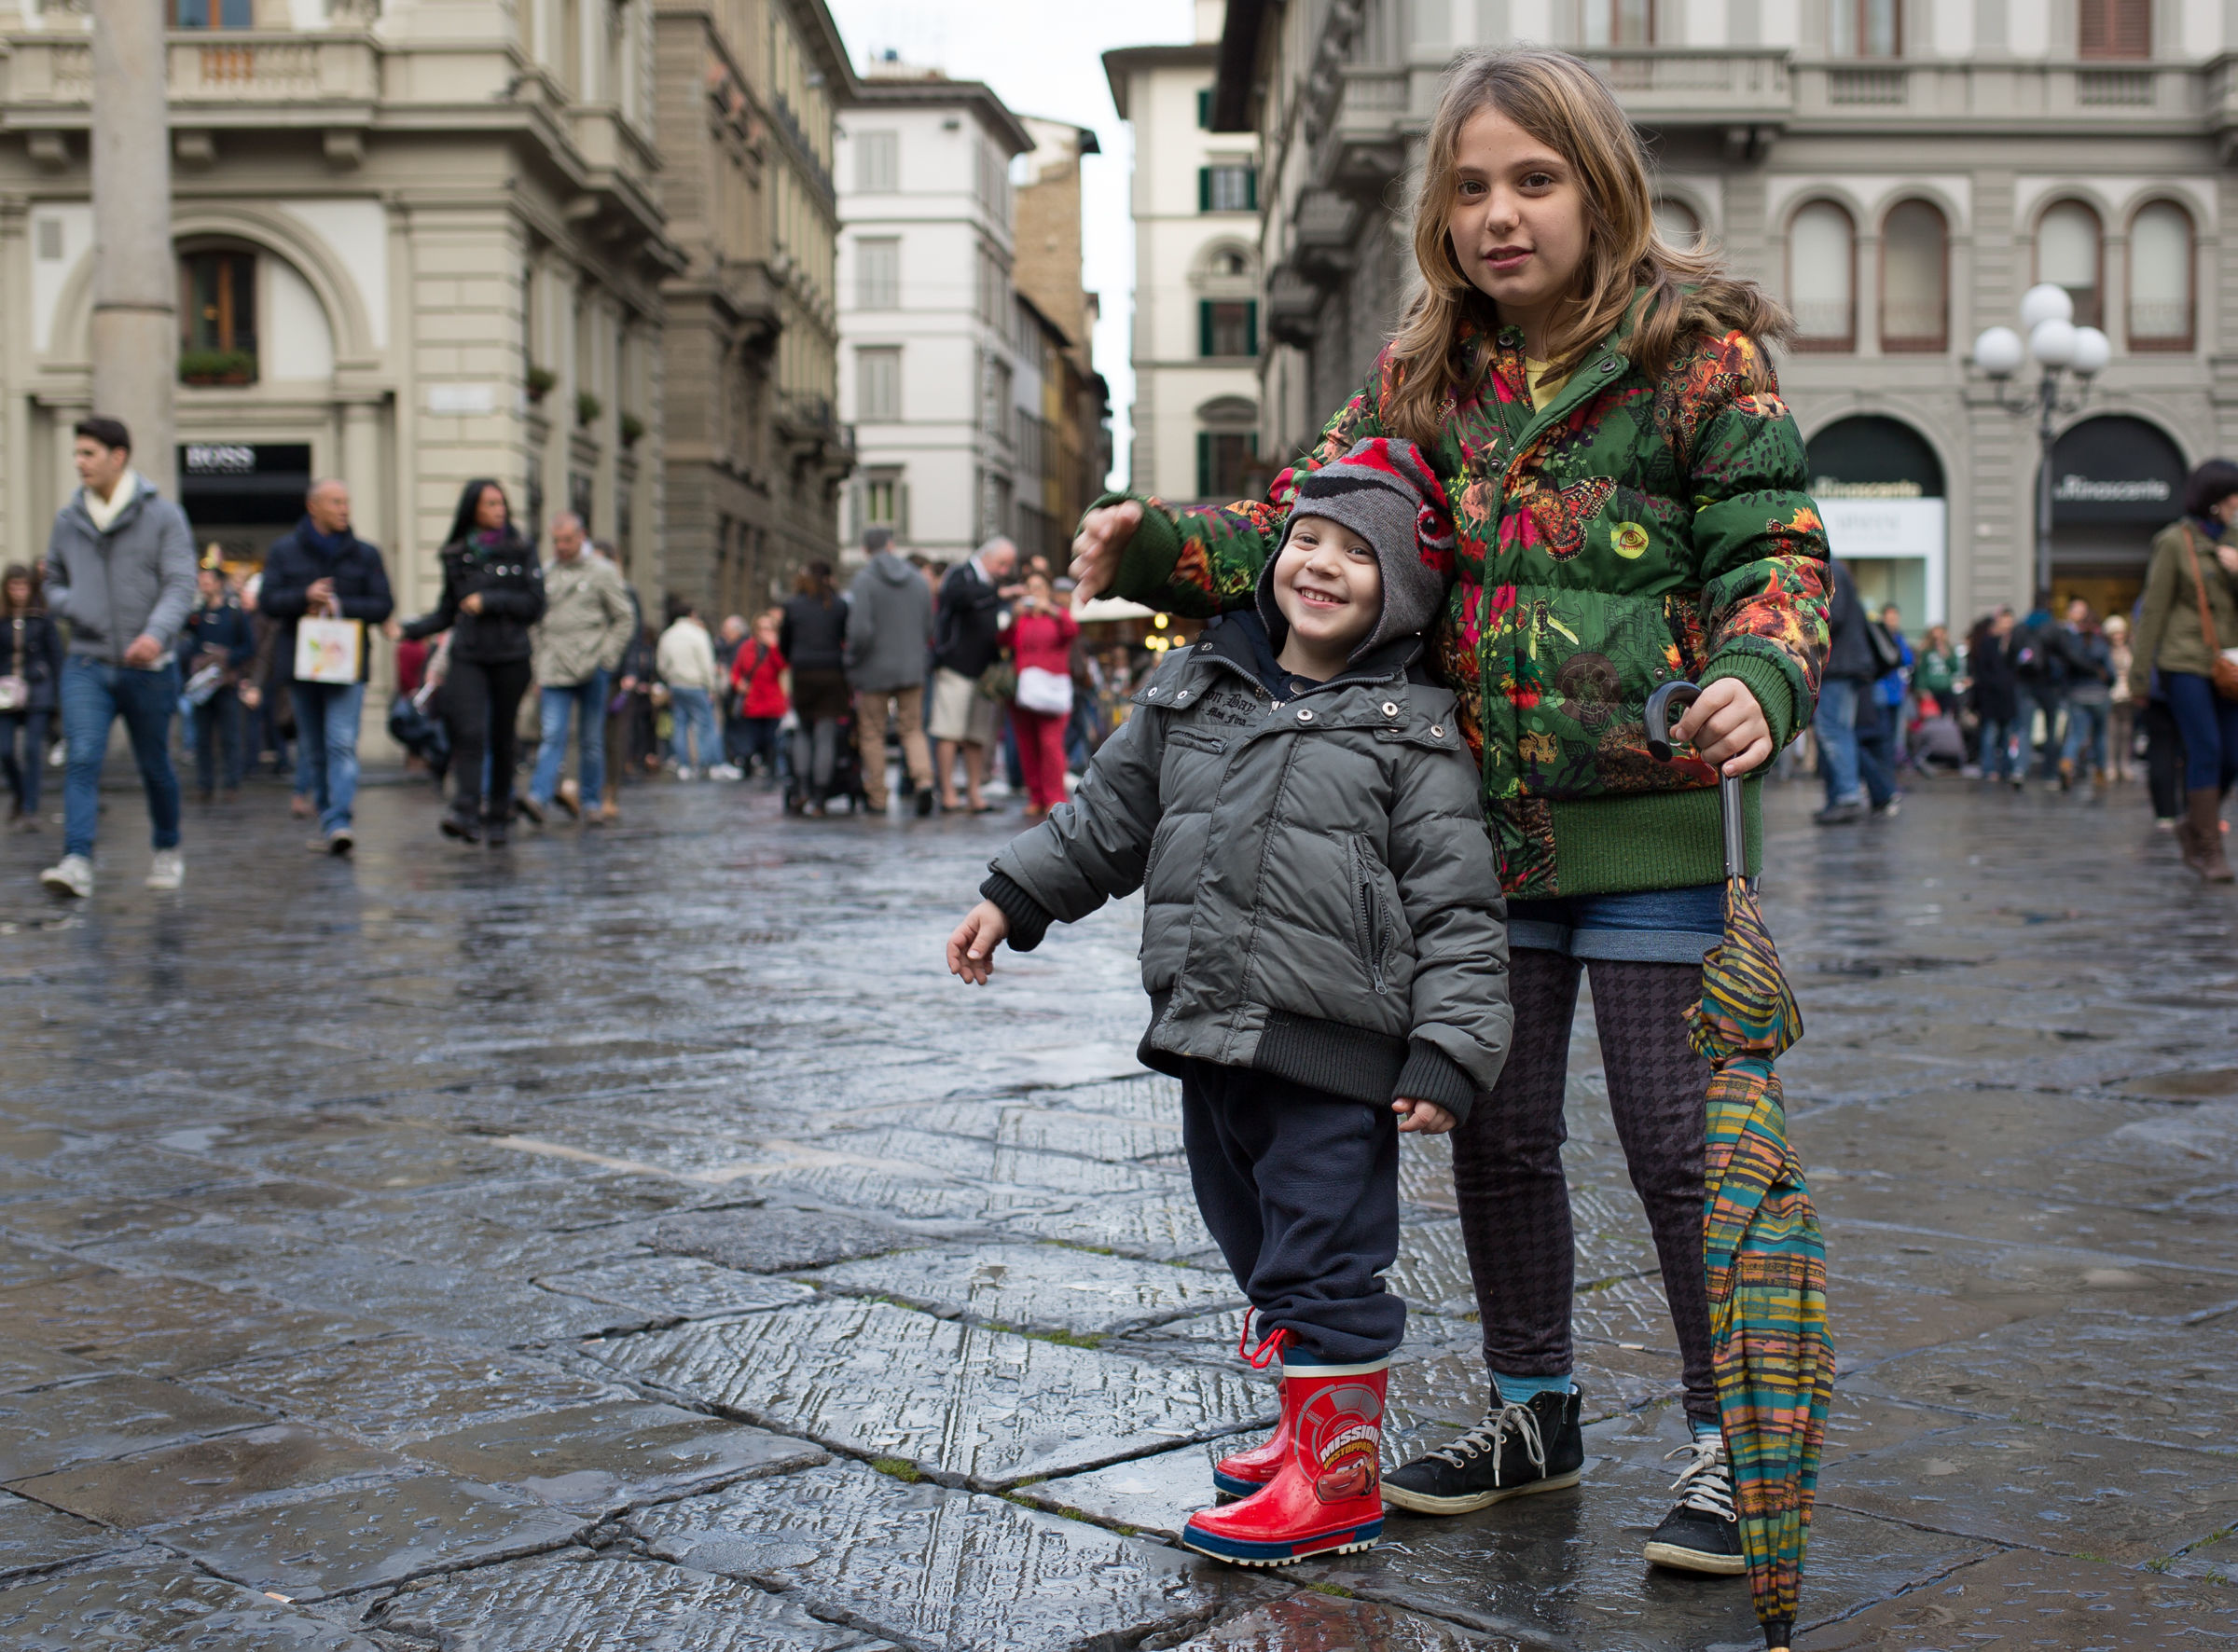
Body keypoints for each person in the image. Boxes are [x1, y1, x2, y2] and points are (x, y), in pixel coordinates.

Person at [1068, 48, 1830, 1614]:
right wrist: (1153, 540)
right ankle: (1534, 1409)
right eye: (1472, 187)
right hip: (1474, 836)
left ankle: (1720, 1441)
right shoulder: (1426, 371)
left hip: (1649, 827)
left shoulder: (1702, 358)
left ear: (1599, 186)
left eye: (1533, 181)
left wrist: (1759, 669)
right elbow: (1307, 524)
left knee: (1677, 1148)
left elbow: (1778, 547)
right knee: (1499, 1130)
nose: (1500, 214)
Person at [950, 438, 1512, 1568]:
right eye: (1308, 539)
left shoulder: (1412, 731)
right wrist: (1014, 897)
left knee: (1323, 1255)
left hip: (1332, 1046)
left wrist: (1449, 1052)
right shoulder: (1193, 684)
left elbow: (1459, 909)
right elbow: (1107, 818)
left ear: (1397, 592)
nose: (1320, 564)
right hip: (1207, 1026)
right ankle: (1309, 1429)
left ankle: (1337, 1480)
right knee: (1252, 1239)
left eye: (1358, 555)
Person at [38, 416, 198, 899]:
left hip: (148, 667)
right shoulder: (68, 520)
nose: (79, 462)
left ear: (118, 456)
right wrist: (74, 605)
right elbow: (52, 584)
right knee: (82, 757)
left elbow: (180, 583)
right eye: (77, 453)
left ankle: (167, 849)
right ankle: (76, 860)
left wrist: (155, 634)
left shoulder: (163, 516)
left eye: (88, 453)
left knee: (155, 766)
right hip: (86, 662)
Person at [401, 478, 546, 846]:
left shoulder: (521, 549)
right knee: (468, 731)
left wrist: (490, 600)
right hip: (468, 654)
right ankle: (465, 810)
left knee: (501, 735)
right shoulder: (456, 554)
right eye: (490, 504)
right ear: (473, 509)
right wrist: (410, 630)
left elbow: (535, 605)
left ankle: (498, 813)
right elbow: (448, 610)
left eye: (502, 503)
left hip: (511, 654)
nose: (499, 510)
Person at [257, 479, 395, 854]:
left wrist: (339, 605)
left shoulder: (366, 554)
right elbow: (268, 601)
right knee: (314, 747)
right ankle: (326, 818)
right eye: (336, 502)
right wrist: (304, 597)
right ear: (313, 506)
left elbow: (383, 605)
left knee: (340, 742)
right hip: (302, 664)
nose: (344, 509)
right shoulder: (284, 551)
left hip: (348, 664)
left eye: (347, 502)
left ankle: (339, 822)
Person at [2129, 458, 2238, 880]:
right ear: (2214, 499)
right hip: (2184, 661)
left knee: (2232, 755)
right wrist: (2139, 675)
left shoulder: (2234, 542)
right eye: (2232, 495)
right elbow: (2153, 610)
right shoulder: (2174, 542)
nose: (2236, 503)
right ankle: (2210, 850)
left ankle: (2193, 823)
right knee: (2206, 749)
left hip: (2228, 666)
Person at [526, 511, 633, 824]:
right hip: (554, 668)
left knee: (591, 739)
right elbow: (536, 622)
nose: (562, 546)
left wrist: (607, 658)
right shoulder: (546, 574)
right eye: (556, 541)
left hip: (591, 667)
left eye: (568, 540)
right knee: (552, 734)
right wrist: (539, 661)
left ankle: (590, 801)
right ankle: (539, 797)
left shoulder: (602, 572)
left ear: (582, 536)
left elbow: (624, 617)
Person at [845, 526, 936, 816]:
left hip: (873, 669)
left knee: (872, 733)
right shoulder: (918, 580)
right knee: (912, 729)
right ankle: (923, 782)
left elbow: (859, 630)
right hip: (911, 666)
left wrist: (852, 658)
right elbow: (929, 626)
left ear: (865, 550)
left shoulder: (863, 580)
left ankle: (877, 796)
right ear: (891, 545)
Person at [930, 537, 1021, 813]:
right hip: (955, 666)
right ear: (988, 557)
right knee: (949, 731)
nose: (1005, 571)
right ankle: (947, 793)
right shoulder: (961, 574)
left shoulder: (993, 583)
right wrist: (1000, 596)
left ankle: (973, 793)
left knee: (976, 736)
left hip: (984, 671)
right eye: (1002, 564)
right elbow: (959, 598)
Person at [175, 560, 256, 805]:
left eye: (207, 581)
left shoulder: (234, 614)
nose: (203, 585)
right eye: (201, 581)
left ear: (218, 583)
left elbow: (249, 647)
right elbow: (182, 639)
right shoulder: (196, 616)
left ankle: (231, 784)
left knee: (230, 736)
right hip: (202, 687)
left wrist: (227, 658)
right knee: (202, 738)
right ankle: (204, 784)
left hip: (226, 685)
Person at [1006, 569, 1080, 819]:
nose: (1033, 592)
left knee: (1050, 745)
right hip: (1024, 690)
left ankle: (1055, 796)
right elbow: (1004, 641)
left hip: (1051, 690)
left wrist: (1052, 610)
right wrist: (1012, 620)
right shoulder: (1022, 618)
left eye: (1039, 587)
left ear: (1048, 591)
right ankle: (1035, 796)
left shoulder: (1057, 615)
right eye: (1029, 587)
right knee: (1027, 745)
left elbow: (1071, 631)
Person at [780, 560, 850, 815]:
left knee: (803, 731)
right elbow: (845, 638)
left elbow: (784, 643)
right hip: (832, 673)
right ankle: (820, 798)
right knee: (826, 735)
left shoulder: (793, 605)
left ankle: (802, 789)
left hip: (803, 673)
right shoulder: (839, 605)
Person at [0, 563, 63, 831]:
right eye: (13, 586)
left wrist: (60, 697)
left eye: (23, 586)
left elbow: (56, 655)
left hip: (38, 690)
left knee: (32, 749)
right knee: (4, 750)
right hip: (5, 694)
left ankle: (29, 809)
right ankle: (20, 793)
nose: (18, 592)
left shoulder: (42, 618)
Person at [1814, 558, 1875, 824]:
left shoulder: (1830, 570)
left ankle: (1848, 796)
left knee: (1834, 733)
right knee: (1837, 732)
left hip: (1839, 667)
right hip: (1844, 666)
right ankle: (1840, 796)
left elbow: (1832, 617)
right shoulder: (1837, 569)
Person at [656, 601, 731, 779]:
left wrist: (671, 678)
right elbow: (707, 663)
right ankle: (711, 764)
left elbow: (661, 665)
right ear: (691, 615)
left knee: (680, 725)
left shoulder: (667, 635)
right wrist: (711, 686)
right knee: (706, 726)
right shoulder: (698, 634)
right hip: (696, 684)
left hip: (676, 684)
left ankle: (684, 765)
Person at [2055, 599, 2114, 793]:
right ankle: (2100, 772)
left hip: (2078, 693)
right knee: (2099, 735)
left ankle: (2066, 764)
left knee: (2076, 734)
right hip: (2098, 694)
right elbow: (2111, 672)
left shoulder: (2072, 642)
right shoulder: (2101, 644)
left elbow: (2063, 670)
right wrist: (2107, 683)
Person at [2010, 597, 2066, 782]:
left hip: (2024, 684)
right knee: (2051, 729)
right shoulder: (2053, 628)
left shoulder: (2020, 628)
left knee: (2023, 729)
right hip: (2048, 684)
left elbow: (2010, 656)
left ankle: (2020, 769)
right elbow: (2065, 655)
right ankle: (2049, 772)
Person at [728, 608, 788, 782]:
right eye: (761, 628)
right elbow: (736, 670)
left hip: (772, 703)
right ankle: (748, 769)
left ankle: (771, 771)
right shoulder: (747, 647)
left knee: (771, 742)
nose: (764, 632)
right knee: (749, 742)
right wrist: (738, 683)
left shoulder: (777, 647)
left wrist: (774, 647)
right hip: (752, 703)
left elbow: (783, 667)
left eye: (768, 628)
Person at [1967, 609, 2023, 787]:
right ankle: (1989, 768)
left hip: (2007, 697)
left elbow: (2017, 665)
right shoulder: (1987, 642)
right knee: (1990, 734)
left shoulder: (2014, 643)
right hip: (1991, 696)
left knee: (2007, 734)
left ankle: (2007, 769)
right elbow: (1983, 670)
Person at [2105, 613, 2136, 785]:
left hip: (2128, 694)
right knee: (2112, 732)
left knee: (2127, 731)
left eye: (2120, 632)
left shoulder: (2130, 649)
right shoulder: (2106, 650)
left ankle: (2124, 764)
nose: (2118, 636)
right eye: (2114, 633)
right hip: (2112, 694)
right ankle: (2111, 765)